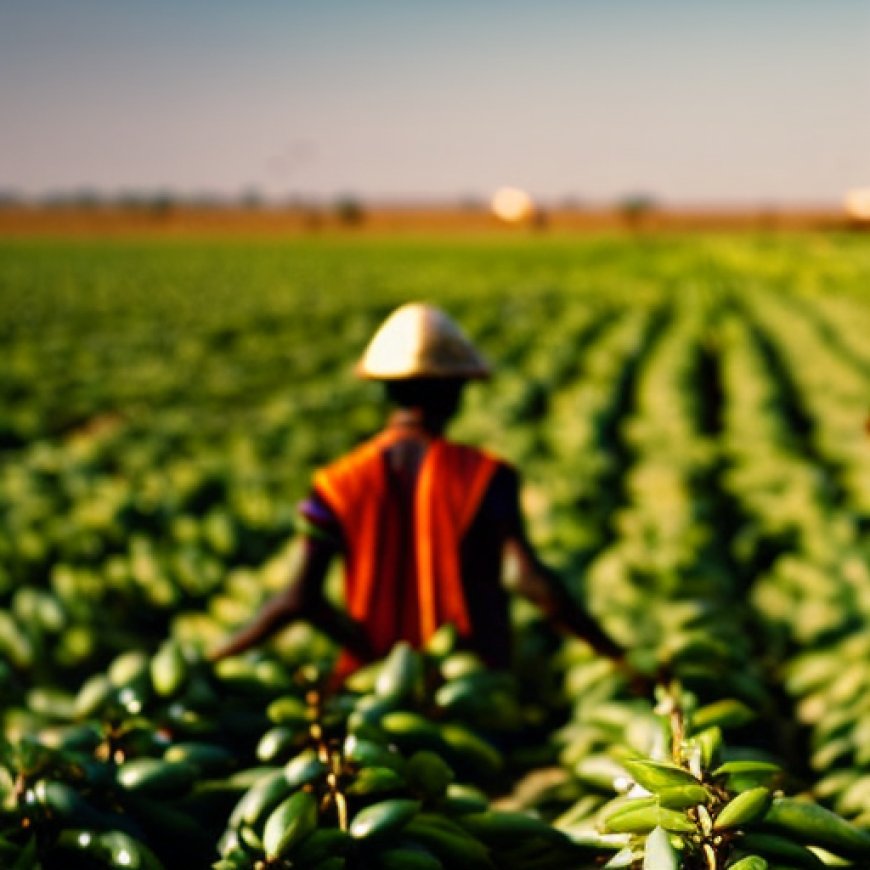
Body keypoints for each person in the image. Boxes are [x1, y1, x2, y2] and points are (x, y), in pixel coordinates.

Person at [209, 302, 624, 677]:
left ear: (386, 389)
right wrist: (614, 654)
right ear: (457, 390)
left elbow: (300, 599)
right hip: (467, 680)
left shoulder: (336, 484)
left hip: (371, 680)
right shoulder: (486, 476)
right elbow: (525, 577)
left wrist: (222, 654)